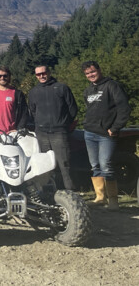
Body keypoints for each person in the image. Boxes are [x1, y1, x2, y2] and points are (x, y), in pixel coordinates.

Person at [82, 60, 131, 209]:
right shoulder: (88, 91)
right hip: (89, 133)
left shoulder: (112, 86)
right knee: (95, 165)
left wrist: (115, 127)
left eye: (93, 71)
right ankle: (100, 198)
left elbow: (124, 108)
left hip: (106, 135)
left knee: (106, 165)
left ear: (99, 70)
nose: (91, 75)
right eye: (87, 73)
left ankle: (113, 201)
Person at [27, 65, 77, 191]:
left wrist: (63, 123)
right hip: (42, 133)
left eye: (44, 73)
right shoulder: (33, 92)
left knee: (64, 164)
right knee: (46, 165)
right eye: (38, 74)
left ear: (49, 72)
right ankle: (48, 192)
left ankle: (69, 192)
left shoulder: (61, 88)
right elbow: (32, 111)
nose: (42, 76)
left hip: (59, 132)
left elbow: (72, 109)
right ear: (36, 76)